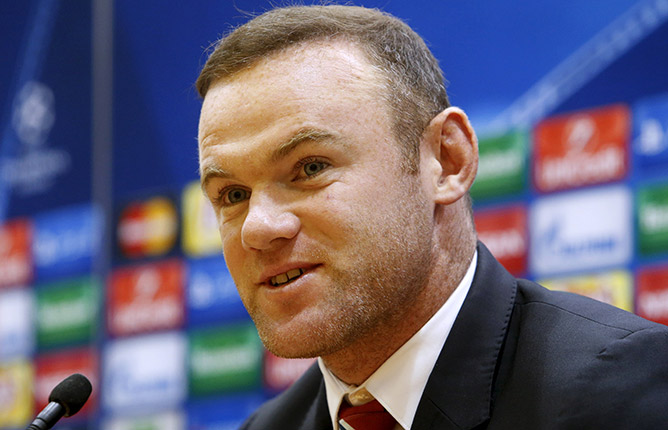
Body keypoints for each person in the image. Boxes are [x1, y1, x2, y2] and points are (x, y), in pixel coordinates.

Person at [196, 5, 668, 429]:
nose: (258, 227)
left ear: (446, 160)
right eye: (232, 194)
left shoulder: (614, 390)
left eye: (311, 168)